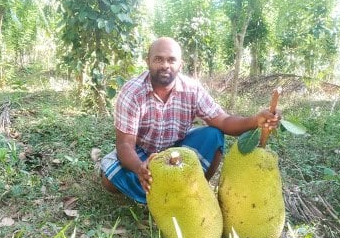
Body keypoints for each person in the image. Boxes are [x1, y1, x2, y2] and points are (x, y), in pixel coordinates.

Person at [100, 37, 280, 204]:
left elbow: (224, 121)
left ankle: (195, 190)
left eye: (171, 60)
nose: (165, 65)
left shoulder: (192, 89)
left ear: (180, 64)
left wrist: (256, 120)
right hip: (143, 152)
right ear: (148, 61)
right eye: (158, 59)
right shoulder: (132, 92)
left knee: (214, 134)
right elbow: (124, 145)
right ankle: (160, 193)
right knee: (111, 182)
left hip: (178, 151)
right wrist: (140, 168)